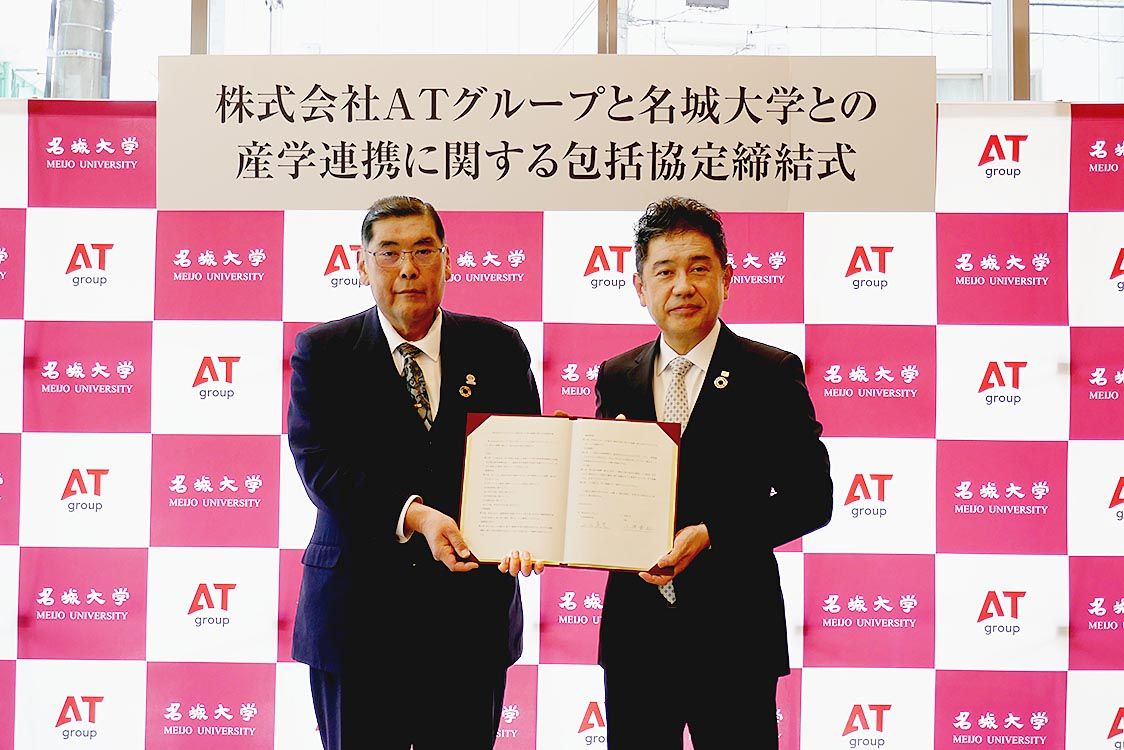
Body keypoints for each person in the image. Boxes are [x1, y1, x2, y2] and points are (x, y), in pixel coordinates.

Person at [286, 195, 543, 750]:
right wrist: (416, 516)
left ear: (448, 261)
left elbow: (527, 462)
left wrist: (535, 521)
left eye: (424, 251)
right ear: (362, 266)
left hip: (468, 622)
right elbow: (319, 467)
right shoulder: (323, 352)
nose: (408, 268)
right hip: (357, 622)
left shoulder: (497, 347)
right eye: (389, 253)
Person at [593, 196, 833, 749]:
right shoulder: (617, 375)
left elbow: (811, 498)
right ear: (639, 287)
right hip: (636, 637)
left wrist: (712, 533)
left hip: (735, 636)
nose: (683, 286)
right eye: (665, 272)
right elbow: (608, 494)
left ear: (726, 278)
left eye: (699, 268)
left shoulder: (770, 373)